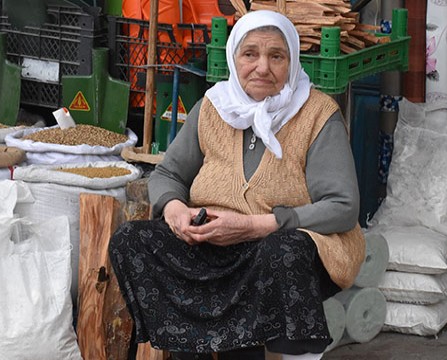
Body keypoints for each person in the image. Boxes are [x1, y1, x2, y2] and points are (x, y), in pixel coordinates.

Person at [109, 10, 365, 360]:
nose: (262, 67)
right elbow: (169, 174)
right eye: (250, 54)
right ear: (233, 58)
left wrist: (255, 226)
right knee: (130, 239)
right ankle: (190, 347)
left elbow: (342, 207)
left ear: (291, 61)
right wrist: (175, 210)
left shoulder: (317, 113)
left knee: (282, 251)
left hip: (274, 250)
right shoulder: (214, 107)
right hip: (211, 245)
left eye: (276, 56)